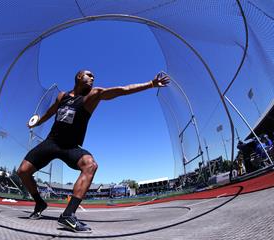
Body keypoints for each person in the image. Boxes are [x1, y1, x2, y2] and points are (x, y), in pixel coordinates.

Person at [17, 70, 170, 233]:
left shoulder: (93, 95)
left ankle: (68, 214)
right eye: (88, 75)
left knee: (90, 165)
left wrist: (151, 84)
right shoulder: (62, 96)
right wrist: (38, 121)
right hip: (51, 142)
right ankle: (40, 202)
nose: (92, 78)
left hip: (70, 147)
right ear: (78, 77)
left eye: (93, 76)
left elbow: (123, 90)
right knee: (23, 171)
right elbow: (51, 111)